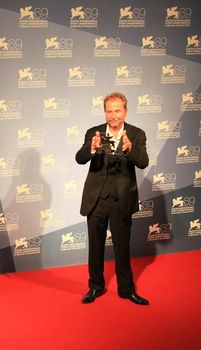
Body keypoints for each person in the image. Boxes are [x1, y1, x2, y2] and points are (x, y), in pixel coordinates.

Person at [76, 92, 149, 305]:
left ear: (125, 111)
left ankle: (126, 289)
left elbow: (143, 162)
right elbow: (79, 158)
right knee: (96, 246)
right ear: (105, 112)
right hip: (96, 199)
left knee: (122, 247)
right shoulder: (94, 132)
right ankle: (95, 287)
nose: (114, 115)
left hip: (122, 200)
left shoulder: (136, 134)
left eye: (118, 110)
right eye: (110, 111)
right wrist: (91, 148)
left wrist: (130, 149)